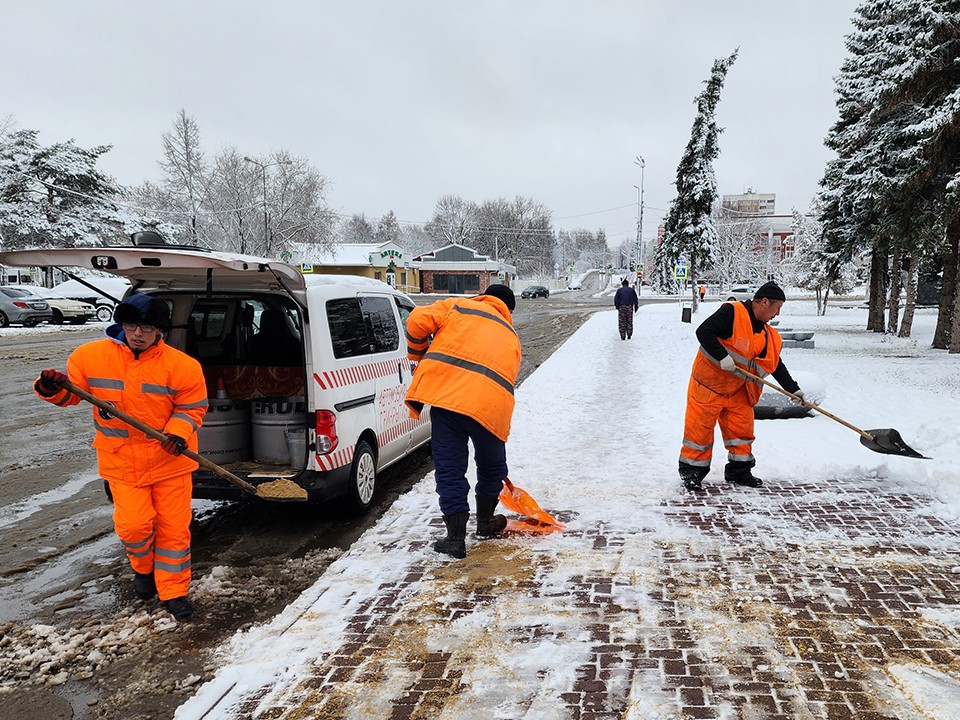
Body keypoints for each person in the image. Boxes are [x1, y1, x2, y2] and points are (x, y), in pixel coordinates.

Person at [34, 293, 208, 620]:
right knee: (133, 526)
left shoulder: (182, 366)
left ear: (160, 330)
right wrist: (49, 387)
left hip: (169, 461)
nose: (137, 333)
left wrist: (178, 433)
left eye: (145, 327)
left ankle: (173, 592)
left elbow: (192, 407)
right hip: (121, 462)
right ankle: (143, 570)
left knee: (174, 529)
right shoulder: (90, 357)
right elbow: (68, 396)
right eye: (131, 325)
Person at [404, 284, 522, 559]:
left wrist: (417, 354)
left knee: (450, 468)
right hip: (491, 407)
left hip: (448, 401)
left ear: (482, 297)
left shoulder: (458, 306)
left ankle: (455, 538)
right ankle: (485, 523)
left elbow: (416, 321)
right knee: (492, 466)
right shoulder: (511, 335)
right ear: (509, 310)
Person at [678, 281, 803, 491]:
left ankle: (739, 472)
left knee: (741, 434)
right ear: (764, 302)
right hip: (708, 386)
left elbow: (775, 364)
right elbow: (704, 331)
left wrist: (793, 389)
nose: (777, 314)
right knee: (699, 433)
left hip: (739, 391)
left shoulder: (768, 335)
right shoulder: (733, 312)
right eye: (777, 308)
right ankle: (692, 473)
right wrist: (722, 357)